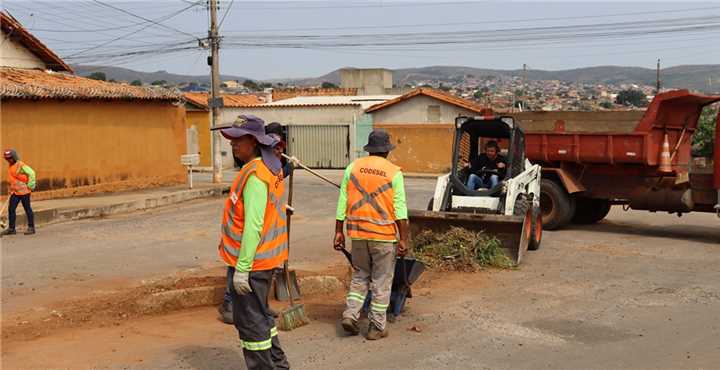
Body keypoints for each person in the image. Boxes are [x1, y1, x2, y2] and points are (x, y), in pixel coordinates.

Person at [218, 115, 290, 370]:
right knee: (261, 316)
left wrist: (242, 269)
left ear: (253, 141)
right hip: (264, 260)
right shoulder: (268, 167)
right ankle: (279, 365)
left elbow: (254, 226)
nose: (233, 145)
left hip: (253, 263)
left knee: (250, 324)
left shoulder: (257, 175)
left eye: (237, 140)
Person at [334, 129, 409, 340]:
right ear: (387, 150)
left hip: (357, 234)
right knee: (381, 281)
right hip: (383, 235)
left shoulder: (353, 167)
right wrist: (403, 238)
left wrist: (339, 231)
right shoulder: (394, 172)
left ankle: (350, 314)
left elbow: (342, 202)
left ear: (369, 149)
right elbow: (400, 209)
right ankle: (377, 326)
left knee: (360, 276)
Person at [2, 149, 36, 236]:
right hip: (15, 192)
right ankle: (11, 229)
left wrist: (31, 186)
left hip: (24, 191)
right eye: (7, 159)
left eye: (10, 158)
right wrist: (12, 188)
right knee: (11, 209)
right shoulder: (10, 166)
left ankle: (31, 228)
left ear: (14, 157)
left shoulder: (20, 165)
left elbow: (32, 173)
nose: (9, 160)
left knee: (27, 209)